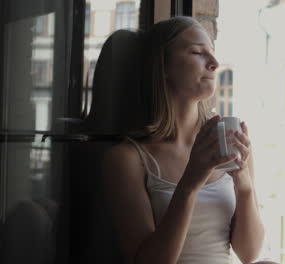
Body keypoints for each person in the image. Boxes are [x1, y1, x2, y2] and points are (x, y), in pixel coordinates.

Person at [102, 16, 265, 264]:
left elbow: (249, 253)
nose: (214, 63)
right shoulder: (127, 158)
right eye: (198, 52)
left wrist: (244, 185)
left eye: (212, 53)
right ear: (163, 66)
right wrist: (190, 183)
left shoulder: (228, 141)